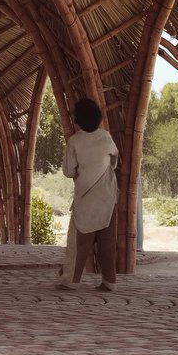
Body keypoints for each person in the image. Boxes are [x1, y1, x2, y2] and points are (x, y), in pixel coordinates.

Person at [58, 97, 119, 292]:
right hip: (108, 197)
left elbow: (68, 171)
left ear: (77, 120)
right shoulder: (106, 137)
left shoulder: (74, 141)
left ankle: (71, 280)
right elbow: (114, 159)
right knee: (107, 243)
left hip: (86, 198)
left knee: (79, 243)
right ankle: (109, 282)